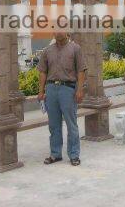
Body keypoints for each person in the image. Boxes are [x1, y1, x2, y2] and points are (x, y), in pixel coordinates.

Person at [37, 32, 86, 166]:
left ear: (67, 32)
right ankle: (55, 154)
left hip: (68, 89)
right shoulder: (47, 51)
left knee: (71, 124)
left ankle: (74, 154)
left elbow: (81, 71)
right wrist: (41, 91)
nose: (59, 32)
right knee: (53, 124)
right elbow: (42, 72)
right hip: (51, 89)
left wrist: (80, 90)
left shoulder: (75, 48)